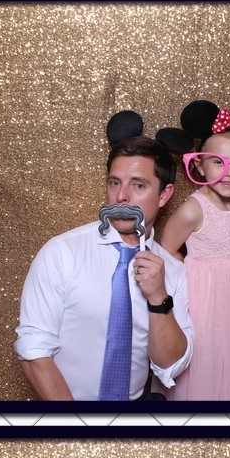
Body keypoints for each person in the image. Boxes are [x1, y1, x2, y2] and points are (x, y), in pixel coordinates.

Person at [15, 113, 193, 403]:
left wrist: (159, 298)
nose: (121, 196)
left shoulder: (173, 270)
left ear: (164, 195)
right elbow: (34, 351)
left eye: (138, 185)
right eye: (114, 182)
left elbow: (170, 364)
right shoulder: (62, 252)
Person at [155, 101, 230, 403]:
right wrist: (195, 277)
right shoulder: (193, 210)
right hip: (205, 299)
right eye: (218, 162)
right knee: (207, 359)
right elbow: (166, 251)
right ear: (199, 165)